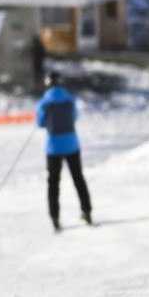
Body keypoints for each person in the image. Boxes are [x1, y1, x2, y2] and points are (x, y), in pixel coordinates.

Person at [36, 71, 92, 231]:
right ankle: (87, 212)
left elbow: (40, 123)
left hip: (53, 148)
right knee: (78, 179)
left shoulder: (43, 102)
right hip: (72, 145)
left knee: (53, 183)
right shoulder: (70, 99)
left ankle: (55, 218)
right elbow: (74, 117)